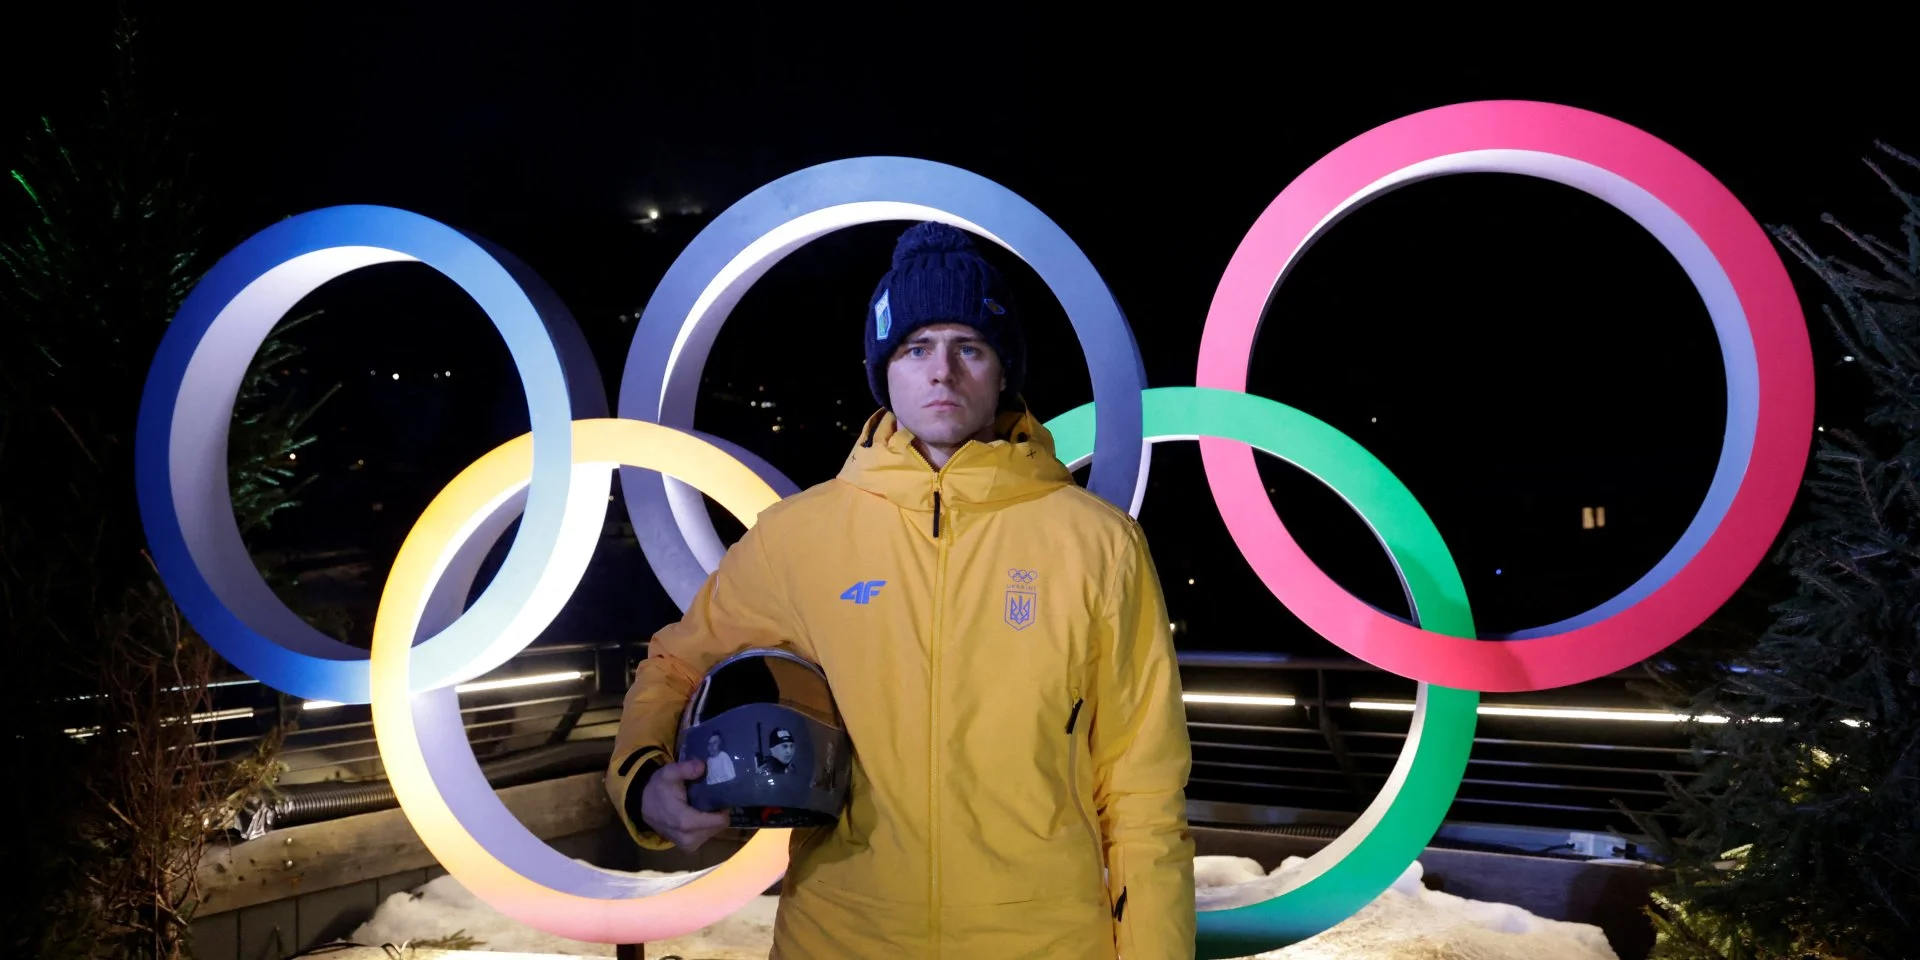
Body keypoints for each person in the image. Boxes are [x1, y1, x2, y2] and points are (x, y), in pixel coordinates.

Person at [606, 221, 1195, 959]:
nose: (941, 372)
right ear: (884, 370)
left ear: (1003, 370)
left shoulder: (1099, 544)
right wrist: (645, 781)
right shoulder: (800, 537)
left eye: (968, 347)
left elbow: (1144, 794)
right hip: (841, 938)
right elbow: (675, 666)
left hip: (1043, 940)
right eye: (916, 348)